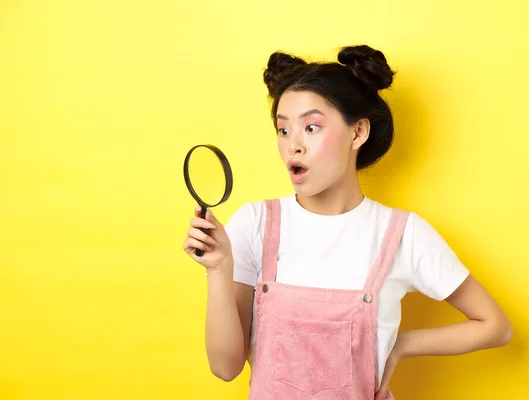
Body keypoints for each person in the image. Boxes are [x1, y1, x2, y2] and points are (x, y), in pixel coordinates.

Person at [183, 45, 512, 400]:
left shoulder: (402, 234)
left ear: (358, 133)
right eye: (283, 130)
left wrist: (403, 344)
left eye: (311, 127)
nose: (293, 146)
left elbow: (495, 327)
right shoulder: (256, 223)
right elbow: (225, 367)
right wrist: (218, 269)